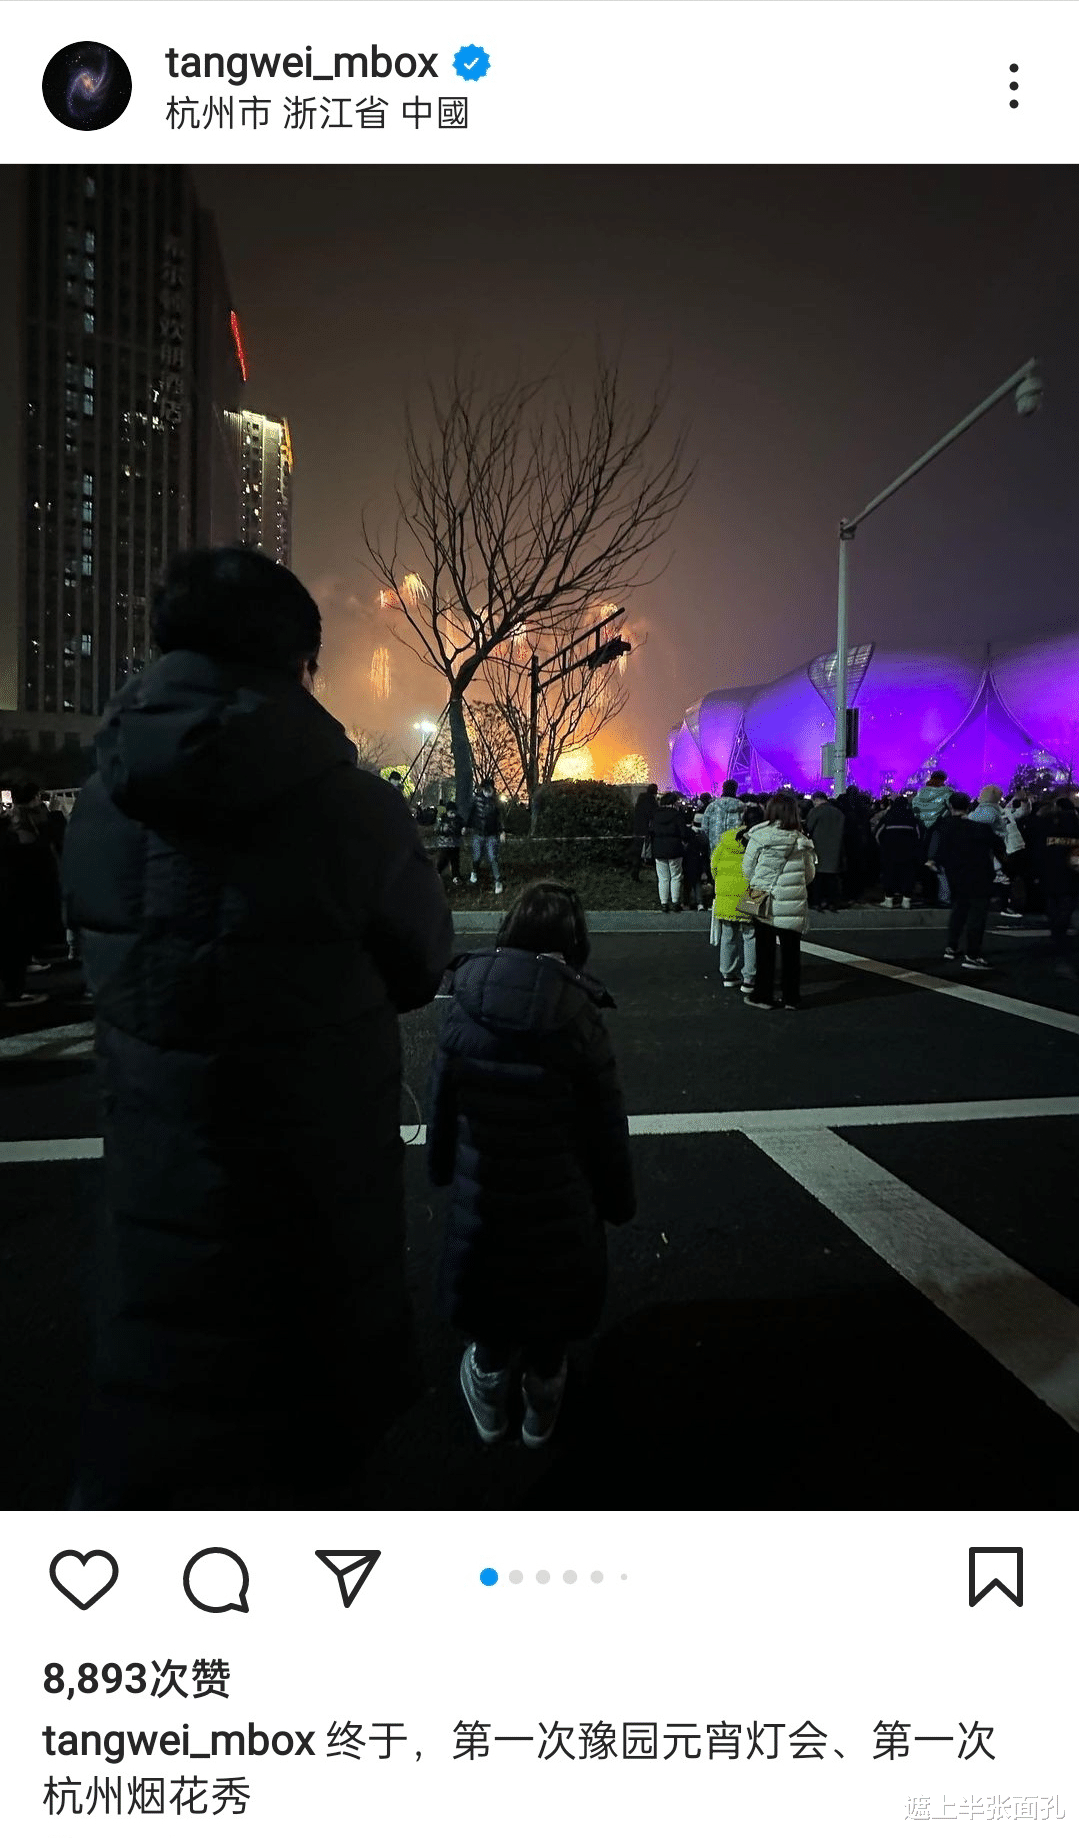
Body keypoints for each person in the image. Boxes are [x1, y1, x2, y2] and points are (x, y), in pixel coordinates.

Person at [60, 545, 454, 1508]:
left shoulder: (100, 809)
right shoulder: (356, 811)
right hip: (312, 1192)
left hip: (158, 1184)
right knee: (309, 1468)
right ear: (299, 661)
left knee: (165, 1432)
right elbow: (421, 963)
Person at [427, 881, 636, 1448]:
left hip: (484, 1189)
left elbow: (442, 1098)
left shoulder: (465, 998)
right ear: (575, 941)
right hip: (561, 1197)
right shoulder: (580, 1013)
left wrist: (441, 1166)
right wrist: (618, 1199)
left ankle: (489, 1389)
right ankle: (543, 1398)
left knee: (489, 1295)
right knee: (551, 1306)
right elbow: (606, 1124)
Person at [741, 793, 816, 1010]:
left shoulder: (759, 836)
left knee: (765, 952)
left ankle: (763, 996)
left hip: (763, 898)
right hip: (792, 902)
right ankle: (791, 998)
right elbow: (809, 875)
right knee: (791, 953)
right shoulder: (801, 840)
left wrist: (762, 882)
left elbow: (747, 870)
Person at [0, 781, 64, 1004]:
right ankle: (13, 989)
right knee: (18, 930)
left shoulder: (15, 819)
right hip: (20, 882)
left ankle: (18, 975)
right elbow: (38, 843)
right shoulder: (24, 820)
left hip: (18, 883)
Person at [934, 791, 1008, 969]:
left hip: (956, 875)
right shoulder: (980, 828)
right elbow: (999, 847)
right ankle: (972, 954)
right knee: (977, 915)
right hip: (980, 875)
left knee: (958, 911)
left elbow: (939, 852)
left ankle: (951, 946)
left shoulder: (945, 827)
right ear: (968, 807)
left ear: (950, 806)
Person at [710, 805, 764, 992]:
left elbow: (714, 865)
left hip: (726, 893)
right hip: (750, 893)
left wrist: (721, 884)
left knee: (728, 935)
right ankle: (749, 977)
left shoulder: (727, 839)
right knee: (750, 936)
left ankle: (728, 974)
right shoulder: (760, 840)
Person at [1036, 795, 1079, 968]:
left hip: (1051, 872)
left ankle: (1056, 931)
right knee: (1066, 904)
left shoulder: (1047, 827)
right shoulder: (1075, 829)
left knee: (1053, 903)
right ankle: (1060, 932)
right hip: (1070, 873)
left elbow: (1039, 851)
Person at [876, 795, 925, 908]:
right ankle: (906, 900)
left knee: (889, 874)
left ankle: (889, 899)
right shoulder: (912, 818)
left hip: (889, 852)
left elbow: (878, 835)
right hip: (908, 853)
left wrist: (883, 847)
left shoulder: (888, 817)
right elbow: (919, 836)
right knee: (907, 875)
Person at [912, 768, 952, 904]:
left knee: (924, 863)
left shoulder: (922, 792)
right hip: (938, 829)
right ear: (943, 780)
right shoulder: (946, 792)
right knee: (938, 865)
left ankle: (926, 893)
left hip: (922, 829)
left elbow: (915, 808)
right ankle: (939, 896)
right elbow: (950, 808)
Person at [465, 775, 505, 895]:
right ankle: (474, 872)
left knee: (493, 857)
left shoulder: (496, 801)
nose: (488, 790)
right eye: (486, 788)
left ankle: (498, 881)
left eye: (490, 788)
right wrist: (466, 826)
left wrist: (502, 831)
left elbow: (500, 817)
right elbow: (470, 814)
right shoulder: (476, 799)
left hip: (491, 833)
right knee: (477, 856)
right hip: (478, 832)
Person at [805, 791, 845, 910]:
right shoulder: (839, 812)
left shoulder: (816, 811)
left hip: (819, 848)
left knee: (818, 878)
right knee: (832, 878)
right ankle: (832, 902)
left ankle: (817, 902)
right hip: (836, 849)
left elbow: (809, 827)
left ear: (816, 800)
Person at [652, 791, 689, 912]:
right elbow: (684, 833)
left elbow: (651, 831)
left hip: (659, 848)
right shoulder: (677, 815)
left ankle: (664, 903)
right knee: (675, 876)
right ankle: (675, 902)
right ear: (673, 803)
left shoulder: (656, 815)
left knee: (663, 878)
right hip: (675, 848)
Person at [703, 778, 744, 852]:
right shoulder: (742, 807)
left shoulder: (712, 806)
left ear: (723, 789)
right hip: (735, 848)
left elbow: (705, 828)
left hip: (715, 848)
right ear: (736, 790)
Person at [682, 812, 712, 911]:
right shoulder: (704, 836)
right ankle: (700, 903)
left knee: (687, 882)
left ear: (693, 822)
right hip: (700, 861)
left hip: (688, 860)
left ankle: (687, 902)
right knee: (697, 882)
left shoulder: (688, 833)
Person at [630, 783, 658, 882]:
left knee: (637, 853)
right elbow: (654, 815)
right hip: (647, 830)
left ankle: (635, 873)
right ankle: (657, 874)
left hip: (637, 829)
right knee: (653, 852)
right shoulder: (652, 802)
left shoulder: (640, 799)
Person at [434, 797, 464, 885]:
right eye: (451, 813)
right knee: (443, 860)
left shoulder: (459, 819)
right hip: (445, 844)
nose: (452, 815)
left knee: (455, 861)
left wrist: (463, 830)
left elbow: (462, 828)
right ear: (447, 812)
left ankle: (455, 876)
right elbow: (437, 830)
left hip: (455, 843)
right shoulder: (443, 819)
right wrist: (443, 829)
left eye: (454, 812)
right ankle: (437, 874)